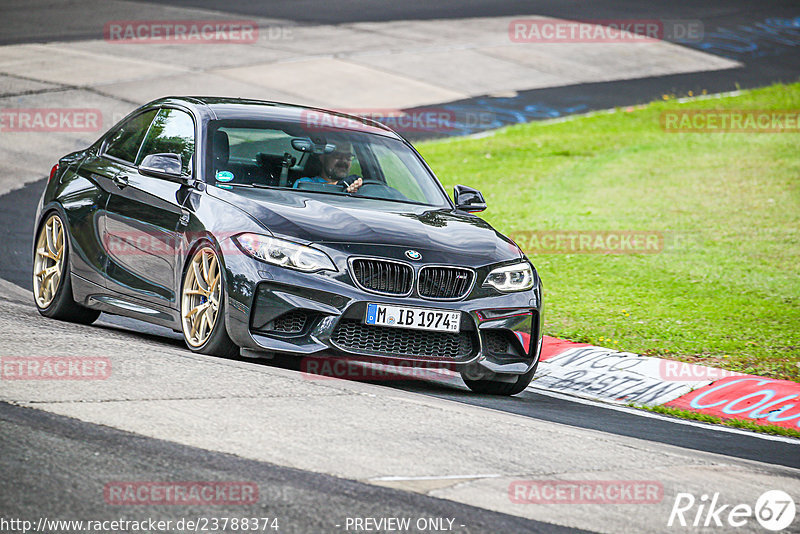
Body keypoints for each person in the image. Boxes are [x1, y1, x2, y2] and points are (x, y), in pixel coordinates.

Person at [293, 141, 363, 193]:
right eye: (338, 155)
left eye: (348, 157)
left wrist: (358, 185)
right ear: (322, 157)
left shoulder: (354, 184)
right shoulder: (305, 183)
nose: (344, 161)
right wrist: (342, 187)